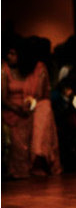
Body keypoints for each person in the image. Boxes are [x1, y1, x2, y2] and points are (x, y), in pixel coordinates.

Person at [1, 38, 62, 178]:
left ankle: (39, 155)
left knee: (44, 107)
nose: (9, 57)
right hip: (12, 110)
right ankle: (28, 165)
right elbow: (2, 99)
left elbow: (41, 95)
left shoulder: (37, 68)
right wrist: (17, 108)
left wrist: (30, 105)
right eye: (8, 53)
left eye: (13, 54)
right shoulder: (4, 70)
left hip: (33, 107)